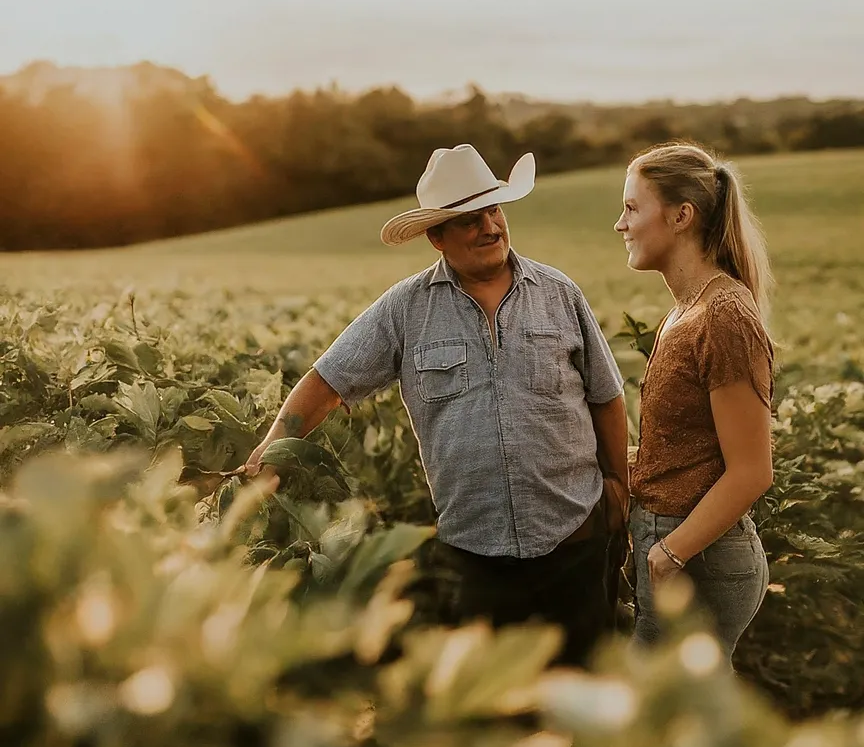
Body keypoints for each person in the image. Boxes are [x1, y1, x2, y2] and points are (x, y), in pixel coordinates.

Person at [245, 143, 630, 666]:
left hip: (574, 542)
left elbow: (605, 397)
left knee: (584, 699)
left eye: (493, 210)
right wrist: (272, 452)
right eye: (469, 220)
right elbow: (326, 380)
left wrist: (617, 487)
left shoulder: (559, 294)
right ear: (436, 237)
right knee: (484, 710)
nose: (489, 227)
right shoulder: (405, 310)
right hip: (474, 554)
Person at [614, 142, 774, 663]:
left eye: (632, 208)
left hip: (697, 555)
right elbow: (686, 445)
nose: (621, 224)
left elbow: (752, 470)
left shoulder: (723, 314)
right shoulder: (689, 308)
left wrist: (669, 554)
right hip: (680, 545)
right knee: (681, 720)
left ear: (681, 216)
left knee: (662, 714)